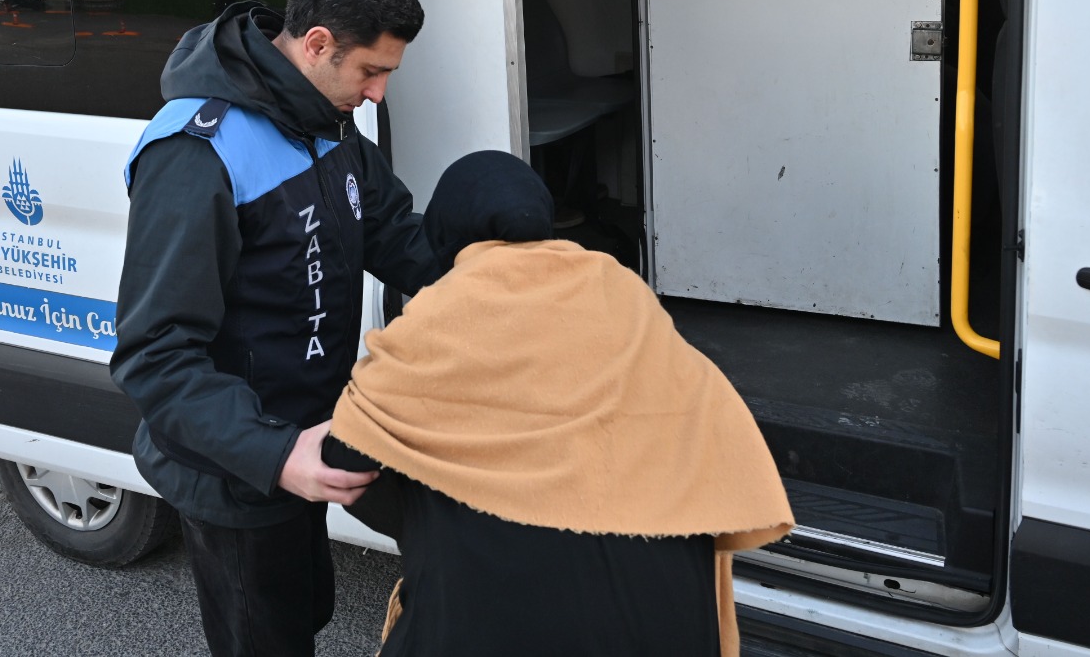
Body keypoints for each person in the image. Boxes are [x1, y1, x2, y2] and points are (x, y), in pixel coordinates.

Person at [328, 150, 795, 657]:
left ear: (444, 231)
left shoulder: (439, 317)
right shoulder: (621, 293)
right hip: (674, 630)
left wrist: (454, 500)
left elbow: (346, 461)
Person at [111, 0, 440, 657]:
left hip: (307, 440)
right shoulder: (197, 153)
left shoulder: (324, 115)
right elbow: (155, 355)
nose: (378, 93)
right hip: (238, 472)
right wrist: (275, 452)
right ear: (317, 44)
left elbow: (390, 231)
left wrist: (501, 272)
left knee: (303, 615)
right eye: (371, 71)